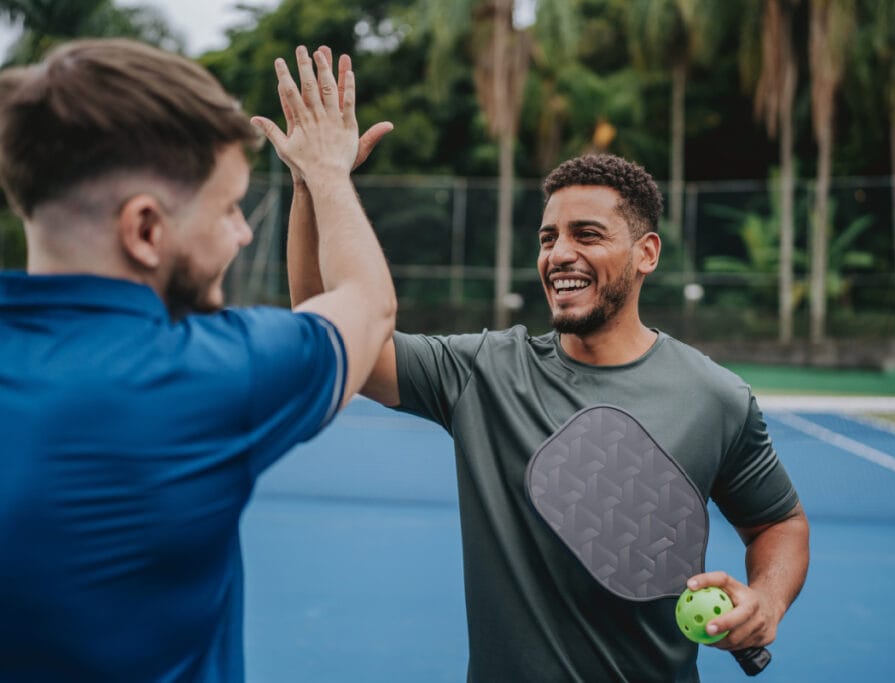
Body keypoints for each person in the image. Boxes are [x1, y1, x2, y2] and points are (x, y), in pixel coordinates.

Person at [287, 146, 810, 680]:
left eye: (587, 235)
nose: (559, 253)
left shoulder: (717, 397)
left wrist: (768, 600)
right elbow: (330, 333)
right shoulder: (480, 372)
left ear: (646, 253)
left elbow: (778, 522)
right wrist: (311, 182)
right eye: (548, 238)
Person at [0, 40, 395, 681]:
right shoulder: (210, 376)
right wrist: (325, 174)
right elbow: (368, 305)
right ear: (146, 231)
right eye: (228, 207)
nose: (241, 231)